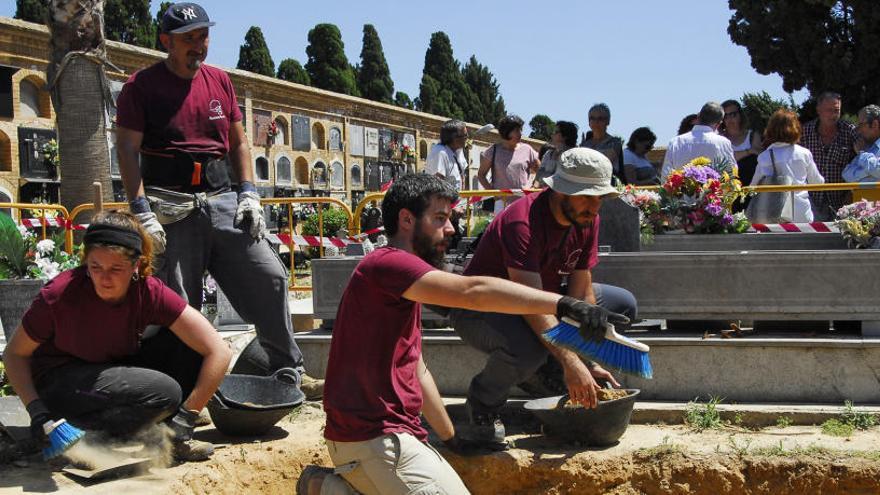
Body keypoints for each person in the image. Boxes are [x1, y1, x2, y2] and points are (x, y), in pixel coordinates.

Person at [295, 174, 623, 495]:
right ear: (407, 220)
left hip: (394, 437)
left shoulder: (404, 285)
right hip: (373, 440)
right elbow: (472, 291)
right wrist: (564, 304)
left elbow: (417, 369)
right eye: (440, 218)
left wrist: (452, 438)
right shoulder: (388, 265)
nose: (451, 229)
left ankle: (325, 486)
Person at [114, 3, 322, 399]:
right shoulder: (141, 87)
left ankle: (287, 371)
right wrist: (141, 210)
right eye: (188, 38)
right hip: (170, 203)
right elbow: (127, 148)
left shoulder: (220, 82)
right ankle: (187, 387)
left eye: (203, 36)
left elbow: (239, 141)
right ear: (166, 42)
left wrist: (249, 193)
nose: (199, 45)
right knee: (179, 302)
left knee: (270, 278)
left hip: (223, 197)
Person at [2, 211, 232, 461]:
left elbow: (218, 351)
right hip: (61, 382)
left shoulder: (148, 291)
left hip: (108, 372)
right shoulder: (59, 295)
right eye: (95, 267)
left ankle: (172, 431)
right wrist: (37, 411)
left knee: (187, 348)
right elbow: (14, 354)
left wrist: (188, 414)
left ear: (136, 266)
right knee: (164, 393)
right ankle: (81, 432)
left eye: (116, 268)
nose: (104, 278)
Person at [452, 148, 637, 448]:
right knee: (526, 351)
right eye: (586, 196)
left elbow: (581, 291)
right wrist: (571, 362)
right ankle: (482, 408)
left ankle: (544, 371)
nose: (595, 206)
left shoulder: (586, 218)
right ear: (559, 191)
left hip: (545, 299)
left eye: (600, 197)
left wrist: (587, 359)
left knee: (621, 304)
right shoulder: (521, 222)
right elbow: (529, 305)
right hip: (483, 309)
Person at [750, 110, 824, 222]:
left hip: (774, 214)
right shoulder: (804, 153)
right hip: (801, 213)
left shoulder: (764, 157)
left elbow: (752, 187)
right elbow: (818, 183)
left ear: (771, 129)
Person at [799, 92, 857, 221]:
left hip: (843, 203)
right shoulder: (804, 132)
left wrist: (850, 193)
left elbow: (862, 160)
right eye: (829, 110)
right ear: (818, 110)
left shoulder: (850, 131)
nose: (833, 115)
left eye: (836, 110)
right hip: (810, 203)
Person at [477, 115, 539, 213]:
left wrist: (534, 186)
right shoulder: (493, 150)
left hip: (524, 201)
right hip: (502, 203)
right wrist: (494, 194)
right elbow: (481, 175)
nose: (520, 134)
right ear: (506, 131)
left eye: (520, 130)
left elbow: (540, 171)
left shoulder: (527, 149)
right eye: (517, 130)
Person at [661, 102, 736, 179]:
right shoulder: (723, 143)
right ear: (719, 124)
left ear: (698, 117)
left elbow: (666, 175)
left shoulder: (675, 142)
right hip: (713, 190)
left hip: (681, 190)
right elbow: (731, 173)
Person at [720, 99, 762, 188]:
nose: (730, 119)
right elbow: (725, 161)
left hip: (751, 187)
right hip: (728, 188)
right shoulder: (720, 139)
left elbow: (759, 156)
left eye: (733, 115)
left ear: (740, 115)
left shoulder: (753, 136)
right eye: (725, 116)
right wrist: (748, 152)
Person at [579, 103, 625, 183]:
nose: (596, 122)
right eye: (592, 118)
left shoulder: (615, 143)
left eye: (600, 118)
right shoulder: (585, 144)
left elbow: (603, 164)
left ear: (608, 121)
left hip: (608, 185)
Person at [425, 120, 469, 192]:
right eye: (465, 135)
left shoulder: (456, 152)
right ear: (454, 138)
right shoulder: (440, 152)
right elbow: (438, 185)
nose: (467, 138)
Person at [842, 104, 880, 183]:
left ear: (874, 124)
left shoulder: (862, 151)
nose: (858, 130)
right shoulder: (867, 148)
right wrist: (870, 171)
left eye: (861, 125)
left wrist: (862, 155)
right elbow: (846, 175)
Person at [534, 120, 578, 186]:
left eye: (555, 132)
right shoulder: (548, 154)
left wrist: (544, 178)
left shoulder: (573, 155)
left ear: (565, 136)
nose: (552, 134)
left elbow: (563, 179)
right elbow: (539, 174)